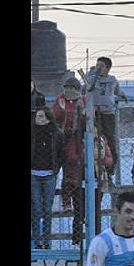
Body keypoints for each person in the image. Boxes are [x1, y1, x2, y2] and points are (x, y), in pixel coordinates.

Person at [67, 122, 115, 244]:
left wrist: (100, 158)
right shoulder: (76, 140)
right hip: (79, 181)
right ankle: (77, 242)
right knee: (79, 212)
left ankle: (96, 241)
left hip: (97, 179)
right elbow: (72, 157)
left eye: (94, 128)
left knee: (96, 212)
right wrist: (87, 156)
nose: (93, 131)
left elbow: (109, 160)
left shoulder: (102, 140)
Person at [84, 57, 128, 170]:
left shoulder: (112, 80)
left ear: (108, 68)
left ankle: (110, 169)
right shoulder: (91, 79)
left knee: (109, 140)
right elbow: (84, 90)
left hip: (107, 114)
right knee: (95, 140)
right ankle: (94, 169)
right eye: (97, 65)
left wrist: (123, 95)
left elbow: (118, 91)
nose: (99, 68)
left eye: (102, 66)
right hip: (94, 113)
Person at [31, 107, 65, 249]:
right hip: (34, 174)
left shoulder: (56, 133)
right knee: (36, 209)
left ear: (48, 118)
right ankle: (37, 241)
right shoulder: (32, 132)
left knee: (47, 209)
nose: (38, 119)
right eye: (37, 116)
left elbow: (61, 153)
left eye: (41, 116)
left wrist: (55, 170)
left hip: (49, 174)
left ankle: (47, 241)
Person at [54, 76, 86, 214]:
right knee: (58, 169)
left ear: (77, 89)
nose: (69, 90)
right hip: (62, 137)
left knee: (72, 170)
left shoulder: (83, 100)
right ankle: (65, 200)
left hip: (77, 138)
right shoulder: (60, 99)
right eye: (67, 88)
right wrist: (62, 110)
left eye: (72, 88)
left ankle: (72, 201)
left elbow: (89, 116)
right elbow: (55, 116)